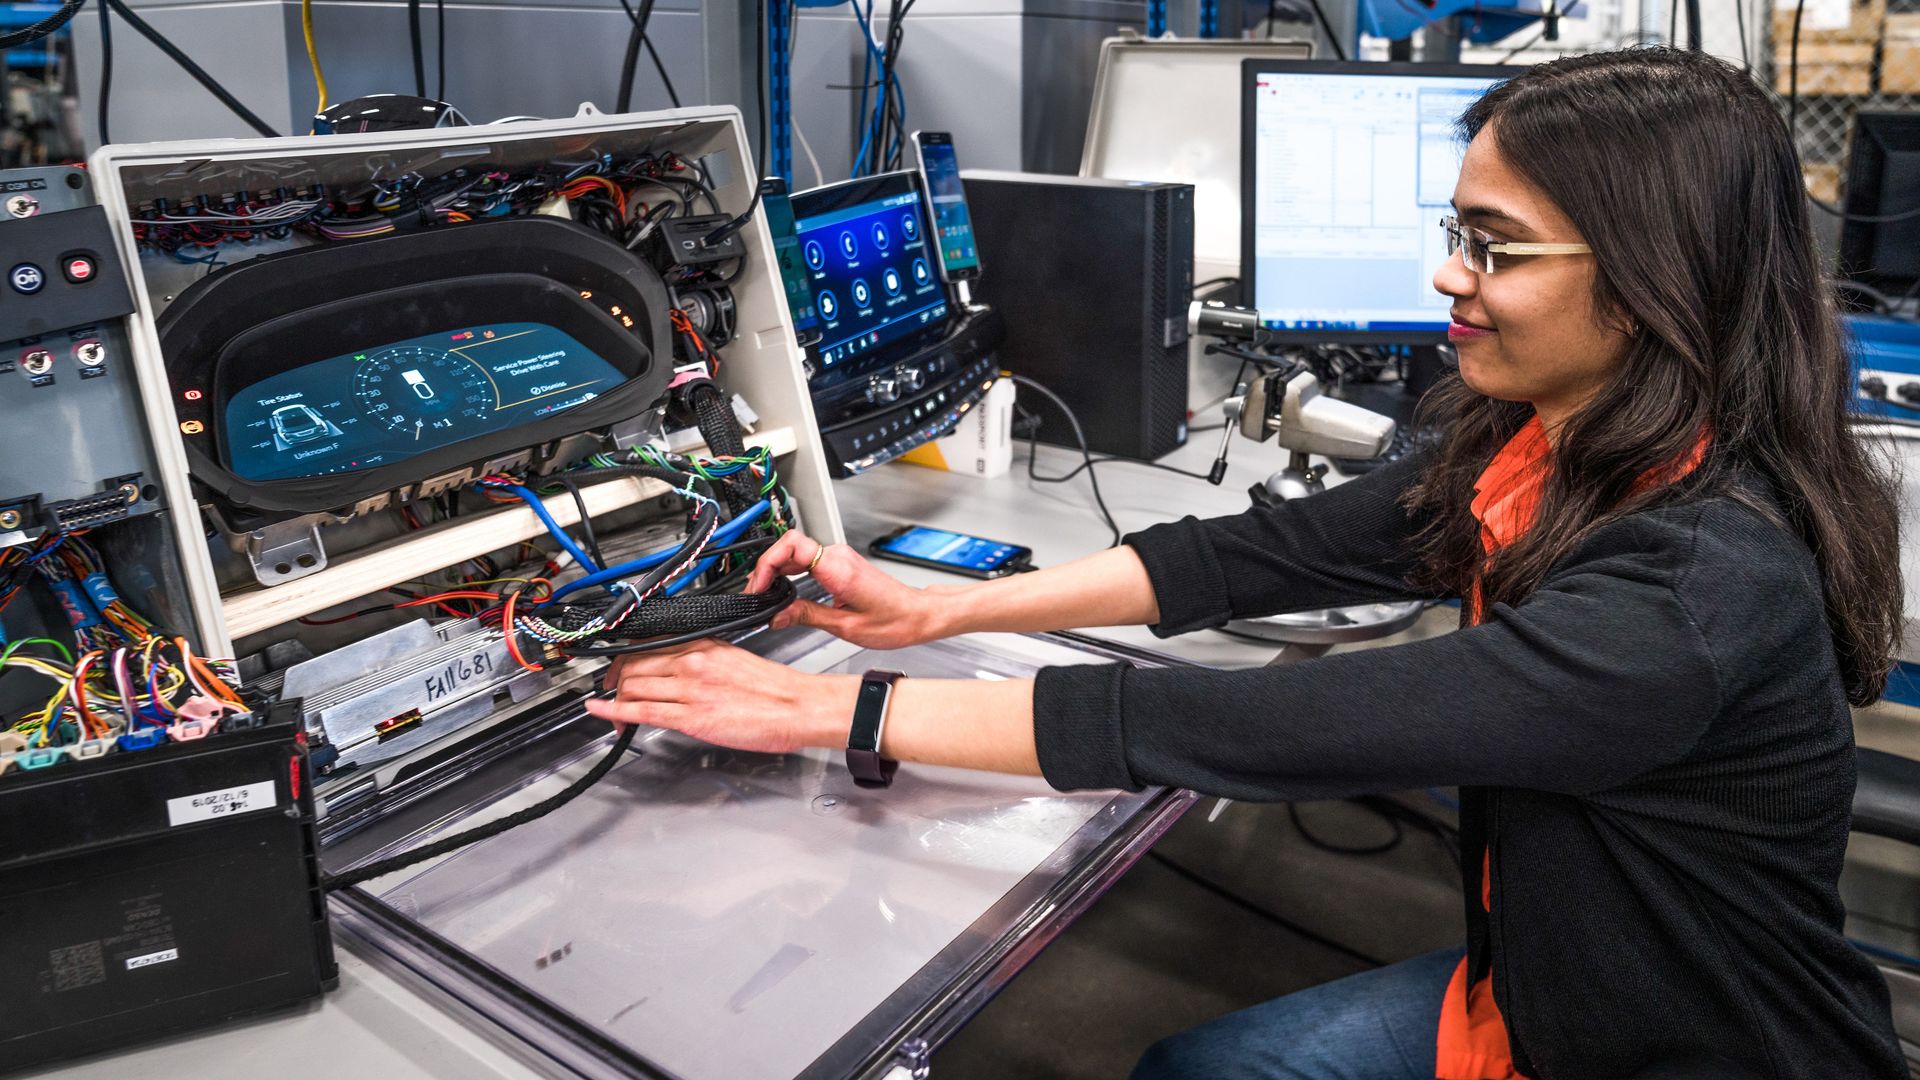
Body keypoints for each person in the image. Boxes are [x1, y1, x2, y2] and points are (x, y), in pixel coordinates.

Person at [586, 48, 1907, 1079]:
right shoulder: (1553, 446)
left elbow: (1274, 721)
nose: (1448, 276)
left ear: (1656, 280)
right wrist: (947, 610)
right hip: (1537, 991)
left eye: (1493, 249)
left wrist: (834, 708)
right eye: (1456, 231)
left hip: (1677, 1050)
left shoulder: (1690, 591)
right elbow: (1269, 550)